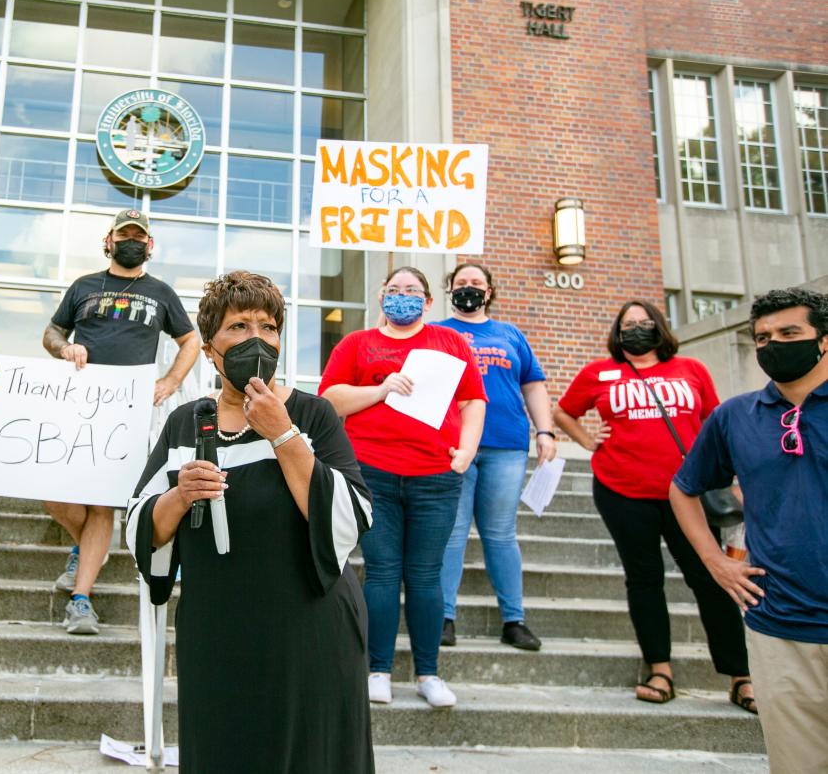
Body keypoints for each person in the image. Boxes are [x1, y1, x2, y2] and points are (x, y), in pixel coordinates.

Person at [126, 270, 374, 774]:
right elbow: (141, 528)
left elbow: (351, 520)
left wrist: (283, 435)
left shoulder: (312, 414)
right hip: (219, 634)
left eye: (269, 326)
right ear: (212, 348)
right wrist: (179, 496)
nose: (256, 339)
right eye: (239, 327)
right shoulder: (186, 423)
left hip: (310, 633)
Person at [553, 300, 752, 709]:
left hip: (689, 495)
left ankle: (740, 675)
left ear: (660, 328)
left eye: (645, 323)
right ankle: (659, 669)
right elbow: (562, 412)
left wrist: (735, 476)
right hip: (622, 490)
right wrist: (590, 442)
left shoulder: (690, 369)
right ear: (617, 332)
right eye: (629, 324)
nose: (637, 329)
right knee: (644, 580)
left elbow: (715, 423)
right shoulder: (598, 373)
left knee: (711, 579)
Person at [670, 287, 828, 771]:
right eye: (761, 337)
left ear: (823, 339)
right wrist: (715, 562)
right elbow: (684, 489)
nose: (772, 345)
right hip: (780, 627)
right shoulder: (734, 416)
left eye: (789, 333)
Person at [320, 266, 487, 708]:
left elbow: (473, 401)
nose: (403, 297)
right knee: (382, 571)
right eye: (394, 290)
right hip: (373, 472)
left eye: (412, 291)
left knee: (425, 575)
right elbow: (331, 399)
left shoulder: (450, 342)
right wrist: (380, 391)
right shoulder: (357, 344)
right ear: (381, 297)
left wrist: (466, 451)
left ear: (429, 302)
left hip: (435, 476)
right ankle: (378, 670)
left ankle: (428, 673)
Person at [41, 209, 201, 635]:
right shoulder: (83, 286)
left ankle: (81, 600)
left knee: (101, 504)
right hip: (76, 402)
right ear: (108, 240)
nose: (130, 241)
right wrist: (64, 350)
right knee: (51, 493)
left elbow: (190, 341)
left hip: (126, 411)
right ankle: (86, 545)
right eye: (123, 234)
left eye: (139, 236)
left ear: (149, 246)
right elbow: (52, 333)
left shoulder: (161, 292)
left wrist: (169, 381)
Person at [436, 262, 555, 651]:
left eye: (476, 283)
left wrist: (546, 431)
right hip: (454, 446)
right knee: (452, 533)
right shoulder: (437, 332)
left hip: (506, 445)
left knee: (501, 534)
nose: (468, 288)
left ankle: (514, 620)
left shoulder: (510, 334)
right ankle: (443, 618)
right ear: (450, 289)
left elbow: (533, 386)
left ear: (489, 292)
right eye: (461, 283)